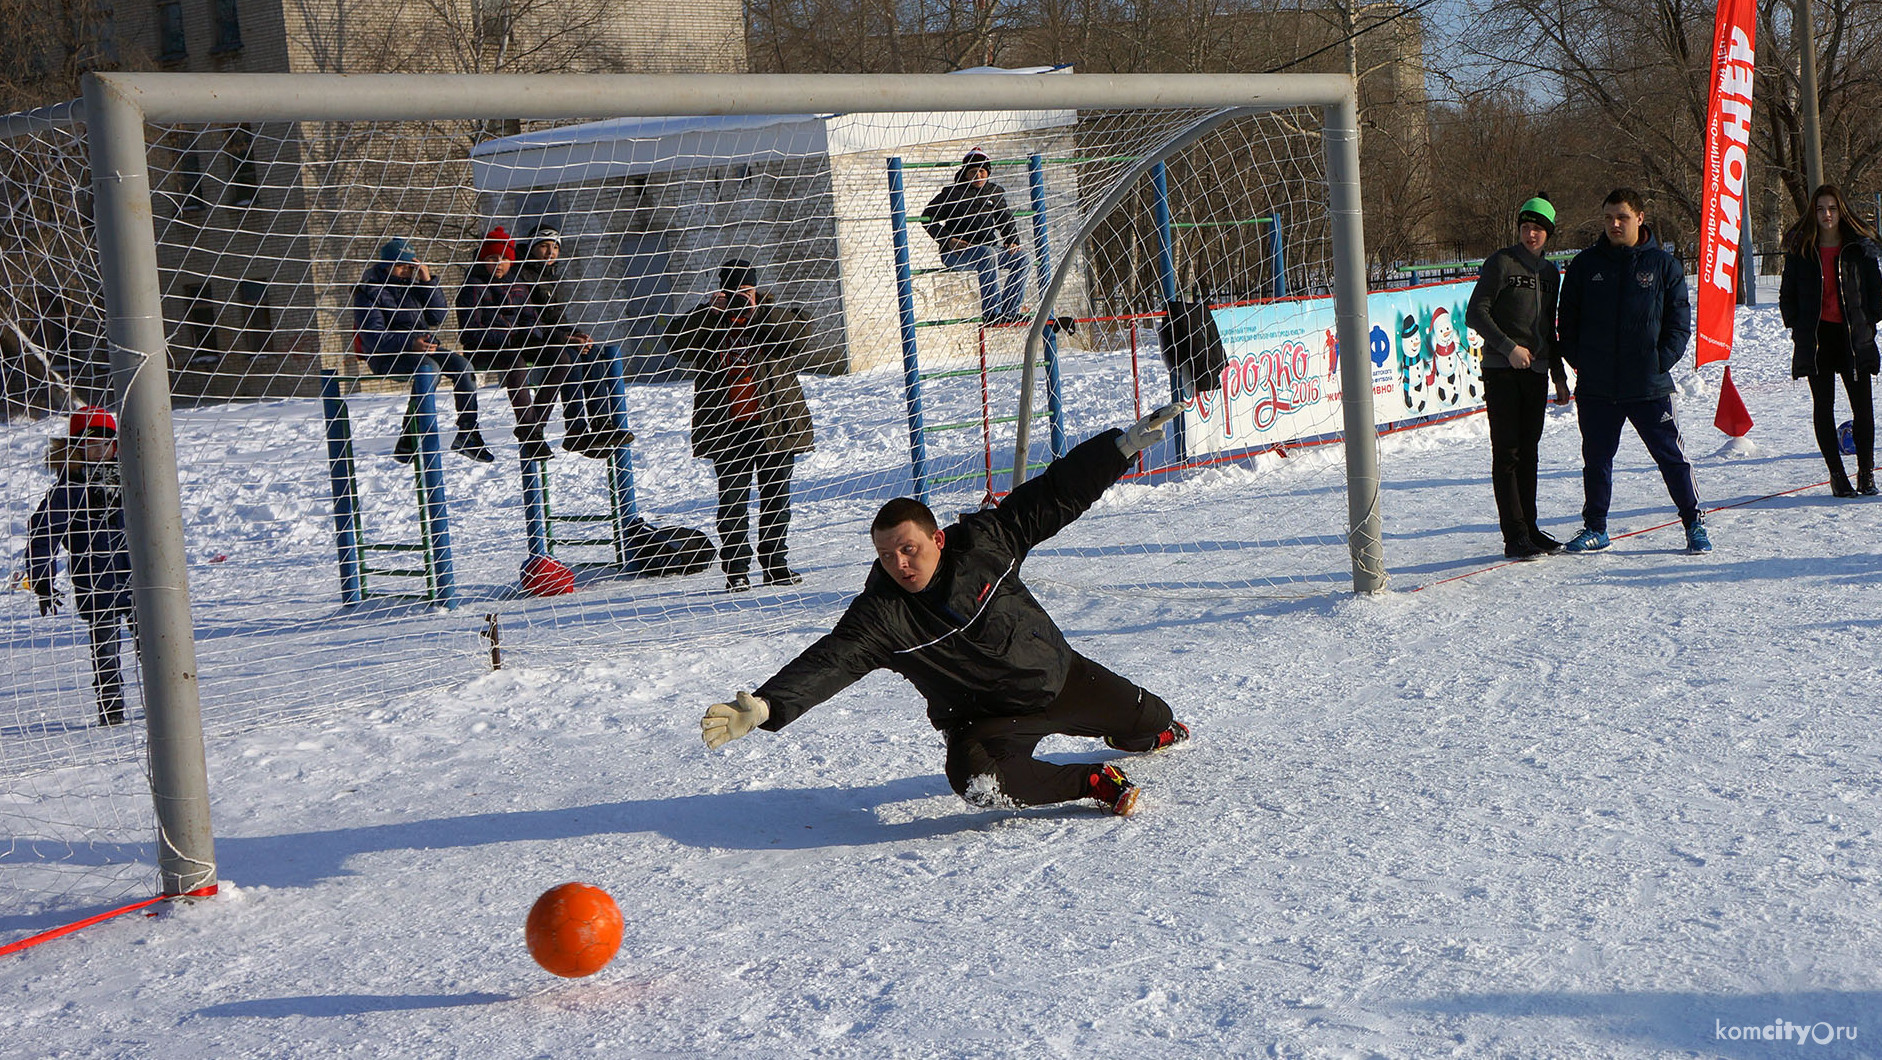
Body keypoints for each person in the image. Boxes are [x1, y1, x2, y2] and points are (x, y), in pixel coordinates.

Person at [698, 405, 1191, 818]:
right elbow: (832, 660)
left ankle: (1133, 732)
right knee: (976, 782)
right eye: (887, 555)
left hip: (1058, 679)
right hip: (984, 719)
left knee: (1155, 719)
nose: (899, 563)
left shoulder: (986, 545)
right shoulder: (881, 615)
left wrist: (1118, 450)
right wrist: (766, 705)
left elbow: (1053, 496)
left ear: (936, 539)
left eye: (908, 549)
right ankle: (1093, 781)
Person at [1557, 187, 1708, 554]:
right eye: (1608, 217)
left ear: (1639, 218)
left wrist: (1660, 361)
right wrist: (1581, 360)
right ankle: (1596, 527)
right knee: (1596, 460)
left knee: (1671, 457)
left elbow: (1679, 323)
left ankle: (1693, 522)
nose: (1614, 224)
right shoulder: (1585, 265)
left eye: (1621, 217)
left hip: (1648, 384)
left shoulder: (1662, 265)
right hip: (1597, 385)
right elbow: (1568, 321)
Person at [666, 259, 816, 592]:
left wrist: (756, 309)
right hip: (726, 427)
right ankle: (736, 570)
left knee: (776, 501)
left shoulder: (772, 314)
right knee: (732, 503)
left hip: (775, 425)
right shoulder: (710, 322)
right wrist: (707, 310)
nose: (738, 298)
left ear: (755, 289)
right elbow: (674, 343)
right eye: (732, 292)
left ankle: (776, 565)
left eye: (745, 291)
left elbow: (799, 337)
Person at [1468, 194, 1569, 559]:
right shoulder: (1502, 263)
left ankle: (1530, 528)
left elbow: (1549, 328)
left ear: (1549, 234)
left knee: (1530, 453)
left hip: (1537, 372)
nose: (1531, 234)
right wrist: (1509, 347)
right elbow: (1475, 313)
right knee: (1508, 453)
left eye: (1538, 229)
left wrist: (1558, 374)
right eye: (1526, 227)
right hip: (1502, 370)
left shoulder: (1549, 274)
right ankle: (1514, 536)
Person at [27, 407, 133, 727]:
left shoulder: (135, 477)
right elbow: (43, 531)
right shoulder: (68, 489)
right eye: (90, 443)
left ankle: (167, 704)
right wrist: (43, 579)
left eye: (106, 442)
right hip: (95, 583)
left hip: (142, 581)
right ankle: (111, 714)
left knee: (157, 647)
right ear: (75, 447)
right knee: (105, 655)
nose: (100, 449)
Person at [1778, 183, 1882, 497]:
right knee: (1824, 406)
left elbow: (1877, 292)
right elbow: (1788, 295)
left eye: (1833, 208)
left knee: (1863, 408)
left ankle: (1866, 473)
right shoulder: (1801, 249)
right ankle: (1837, 475)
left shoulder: (1858, 248)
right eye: (1821, 208)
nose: (1827, 214)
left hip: (1853, 337)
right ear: (1814, 212)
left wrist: (1868, 321)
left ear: (1842, 211)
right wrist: (1799, 325)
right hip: (1818, 338)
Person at [352, 237, 493, 463]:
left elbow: (437, 317)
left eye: (410, 266)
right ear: (386, 265)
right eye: (400, 266)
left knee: (462, 366)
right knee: (430, 368)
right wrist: (410, 344)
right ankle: (409, 435)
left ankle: (468, 434)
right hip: (387, 355)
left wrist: (427, 282)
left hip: (423, 347)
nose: (406, 271)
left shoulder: (413, 287)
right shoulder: (368, 292)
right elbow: (373, 336)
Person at [509, 227, 634, 457]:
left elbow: (557, 319)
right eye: (545, 246)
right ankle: (575, 429)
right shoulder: (520, 277)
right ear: (532, 248)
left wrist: (577, 334)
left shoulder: (550, 276)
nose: (550, 252)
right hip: (530, 342)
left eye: (555, 247)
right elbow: (529, 322)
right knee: (572, 355)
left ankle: (601, 423)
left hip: (553, 337)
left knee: (593, 351)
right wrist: (566, 338)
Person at [924, 148, 1027, 325]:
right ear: (965, 174)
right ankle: (992, 313)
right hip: (957, 253)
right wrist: (949, 240)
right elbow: (927, 218)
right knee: (988, 254)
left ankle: (1010, 311)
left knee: (1023, 258)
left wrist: (1012, 240)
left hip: (989, 250)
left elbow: (1005, 219)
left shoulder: (994, 192)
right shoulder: (952, 194)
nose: (978, 175)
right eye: (973, 172)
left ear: (987, 172)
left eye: (982, 171)